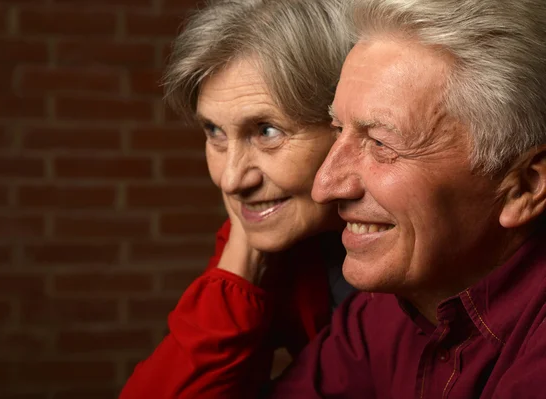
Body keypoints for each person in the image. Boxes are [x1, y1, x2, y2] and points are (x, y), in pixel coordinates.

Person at [266, 0, 546, 397]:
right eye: (337, 129)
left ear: (525, 186)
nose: (324, 186)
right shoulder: (385, 309)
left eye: (381, 143)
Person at [119, 0, 353, 397]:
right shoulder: (278, 237)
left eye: (266, 131)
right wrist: (245, 256)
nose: (230, 178)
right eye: (215, 132)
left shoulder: (426, 245)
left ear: (349, 126)